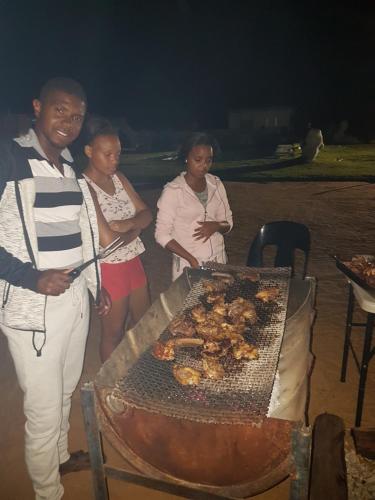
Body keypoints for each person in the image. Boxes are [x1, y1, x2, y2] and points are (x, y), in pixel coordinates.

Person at [0, 78, 125, 500]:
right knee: (43, 407)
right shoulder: (10, 158)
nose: (68, 122)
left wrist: (95, 285)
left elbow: (82, 233)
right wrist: (29, 277)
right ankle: (47, 493)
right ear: (37, 106)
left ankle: (57, 459)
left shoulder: (70, 166)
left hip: (73, 297)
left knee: (67, 388)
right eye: (60, 110)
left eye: (77, 116)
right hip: (34, 304)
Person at [83, 117, 152, 362]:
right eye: (108, 154)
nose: (115, 160)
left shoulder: (119, 178)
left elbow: (146, 213)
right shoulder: (85, 187)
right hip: (109, 269)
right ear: (89, 151)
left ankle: (136, 376)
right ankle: (108, 388)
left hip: (133, 262)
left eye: (118, 154)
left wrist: (129, 224)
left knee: (142, 324)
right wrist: (135, 230)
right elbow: (108, 242)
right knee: (113, 334)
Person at [155, 132, 233, 281]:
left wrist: (216, 226)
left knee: (218, 303)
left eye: (209, 160)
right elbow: (161, 234)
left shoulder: (216, 183)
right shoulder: (173, 191)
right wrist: (191, 260)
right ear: (186, 157)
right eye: (198, 159)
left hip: (219, 262)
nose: (204, 165)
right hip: (188, 267)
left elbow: (228, 222)